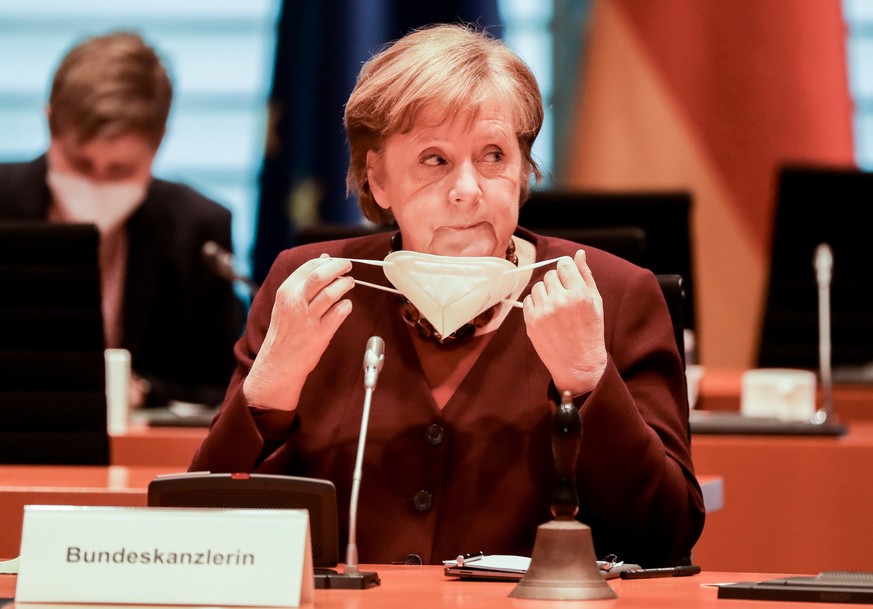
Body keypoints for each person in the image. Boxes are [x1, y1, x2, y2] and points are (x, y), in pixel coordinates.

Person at [190, 23, 704, 567]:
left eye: (493, 156)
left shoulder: (615, 295)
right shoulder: (308, 286)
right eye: (434, 160)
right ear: (379, 179)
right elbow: (199, 536)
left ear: (523, 174)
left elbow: (668, 537)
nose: (467, 189)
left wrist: (589, 382)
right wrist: (269, 392)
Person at [0, 31, 245, 408]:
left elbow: (229, 390)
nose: (96, 184)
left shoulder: (198, 230)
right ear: (50, 125)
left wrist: (144, 392)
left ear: (159, 142)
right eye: (80, 164)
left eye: (120, 171)